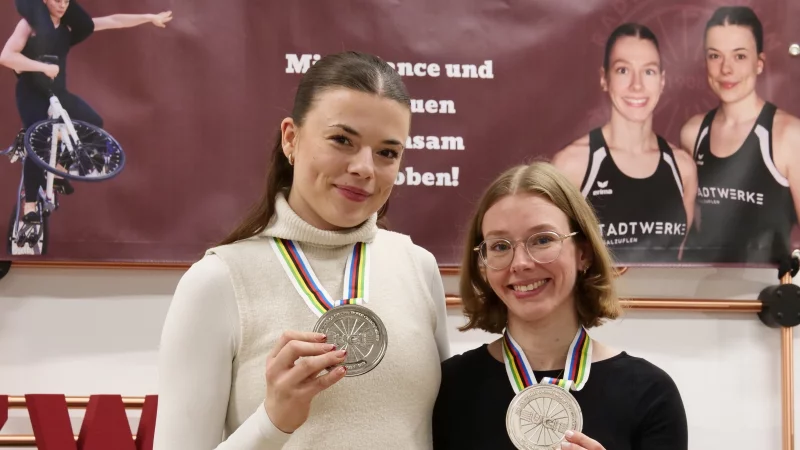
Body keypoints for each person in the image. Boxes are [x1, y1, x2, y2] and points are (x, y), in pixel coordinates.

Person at [153, 51, 451, 449]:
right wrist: (273, 422)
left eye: (387, 153)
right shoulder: (218, 281)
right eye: (342, 140)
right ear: (291, 138)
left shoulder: (417, 266)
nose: (365, 167)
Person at [432, 162, 688, 449]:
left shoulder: (650, 393)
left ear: (584, 253)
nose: (520, 263)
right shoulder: (450, 387)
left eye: (542, 240)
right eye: (500, 246)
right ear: (483, 264)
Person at [0, 0, 172, 224]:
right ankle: (30, 204)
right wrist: (42, 67)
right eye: (56, 0)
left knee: (92, 121)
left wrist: (149, 17)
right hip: (32, 91)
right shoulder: (29, 25)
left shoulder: (69, 26)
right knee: (39, 140)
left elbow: (113, 21)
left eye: (65, 0)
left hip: (57, 92)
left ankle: (60, 163)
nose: (62, 5)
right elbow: (6, 57)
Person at [552, 23, 697, 264]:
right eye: (623, 70)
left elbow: (675, 269)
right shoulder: (571, 166)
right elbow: (555, 262)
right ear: (604, 78)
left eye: (648, 71)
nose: (637, 85)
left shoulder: (683, 168)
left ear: (662, 81)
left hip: (662, 302)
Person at [680, 6, 800, 266]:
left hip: (763, 299)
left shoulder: (790, 136)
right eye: (715, 56)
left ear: (759, 63)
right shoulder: (693, 133)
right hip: (695, 294)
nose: (726, 69)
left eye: (740, 56)